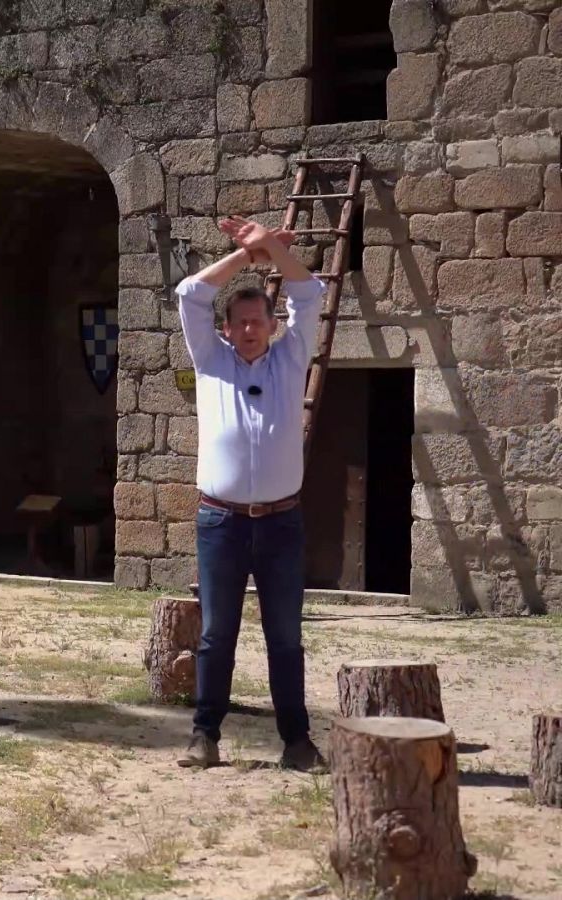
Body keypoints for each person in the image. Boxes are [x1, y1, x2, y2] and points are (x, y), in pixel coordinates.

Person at [175, 216, 326, 772]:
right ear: (227, 328)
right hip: (222, 523)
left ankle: (297, 742)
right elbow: (190, 293)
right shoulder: (211, 362)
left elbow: (309, 292)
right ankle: (204, 735)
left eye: (256, 321)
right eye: (238, 322)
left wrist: (272, 252)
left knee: (285, 636)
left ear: (270, 323)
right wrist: (247, 256)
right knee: (217, 634)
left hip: (281, 523)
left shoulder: (291, 358)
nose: (248, 331)